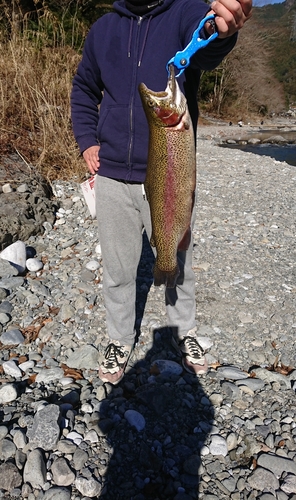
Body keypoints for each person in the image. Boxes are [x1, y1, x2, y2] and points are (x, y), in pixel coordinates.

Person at [71, 0, 252, 385]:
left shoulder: (186, 13)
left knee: (177, 260)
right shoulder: (103, 28)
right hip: (112, 176)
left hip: (170, 177)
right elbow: (84, 88)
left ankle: (185, 333)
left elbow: (208, 46)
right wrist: (87, 140)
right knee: (118, 269)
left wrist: (225, 28)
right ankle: (119, 339)